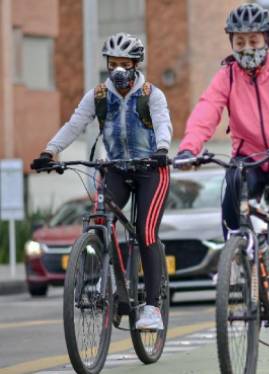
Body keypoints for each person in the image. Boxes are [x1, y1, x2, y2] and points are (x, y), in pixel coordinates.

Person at [173, 4, 269, 346]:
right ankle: (237, 260)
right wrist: (189, 148)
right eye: (239, 42)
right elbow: (207, 109)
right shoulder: (226, 76)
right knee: (231, 208)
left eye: (253, 40)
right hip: (250, 162)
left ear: (266, 40)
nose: (246, 49)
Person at [30, 33, 172, 330]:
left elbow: (162, 124)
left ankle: (152, 308)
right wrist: (50, 151)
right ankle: (102, 283)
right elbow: (75, 124)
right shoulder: (97, 96)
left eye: (124, 64)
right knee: (98, 220)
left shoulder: (151, 94)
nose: (118, 70)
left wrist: (162, 150)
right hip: (116, 168)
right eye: (112, 64)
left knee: (146, 232)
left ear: (136, 64)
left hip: (150, 170)